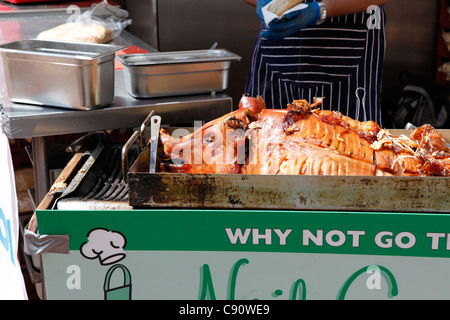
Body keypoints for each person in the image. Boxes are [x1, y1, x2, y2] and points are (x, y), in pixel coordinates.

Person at [244, 0, 392, 125]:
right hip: (276, 45)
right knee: (260, 145)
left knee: (352, 148)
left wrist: (320, 9)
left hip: (348, 45)